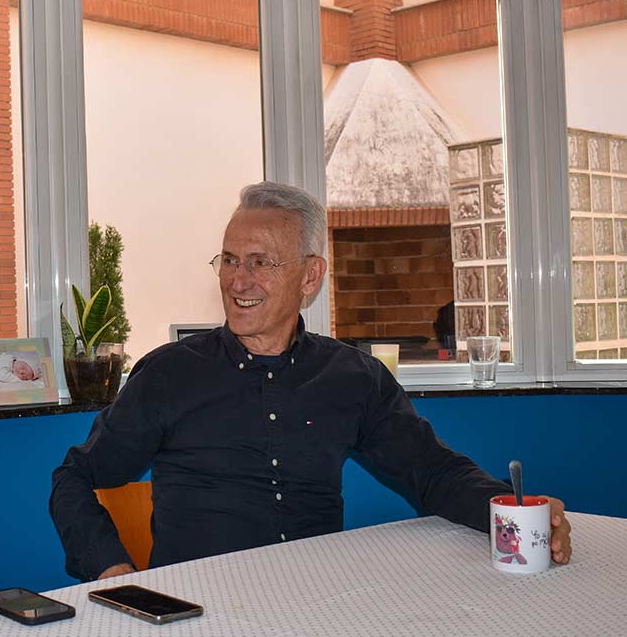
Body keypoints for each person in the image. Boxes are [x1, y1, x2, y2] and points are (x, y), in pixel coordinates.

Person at [50, 182, 573, 581]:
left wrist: (510, 510)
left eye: (260, 262)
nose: (237, 280)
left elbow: (432, 472)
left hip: (318, 598)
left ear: (310, 277)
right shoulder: (169, 374)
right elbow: (73, 477)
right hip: (202, 606)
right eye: (229, 260)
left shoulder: (353, 378)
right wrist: (113, 571)